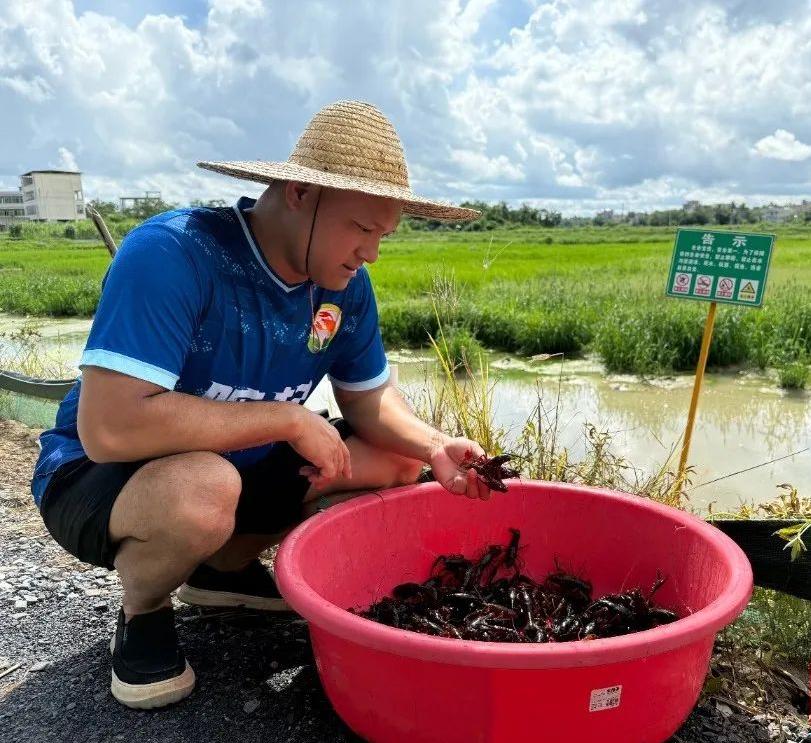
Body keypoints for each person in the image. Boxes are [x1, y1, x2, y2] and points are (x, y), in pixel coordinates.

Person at [30, 101, 488, 708]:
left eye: (383, 234)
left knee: (393, 461)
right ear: (300, 191)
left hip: (236, 464)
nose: (371, 253)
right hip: (100, 474)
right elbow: (110, 428)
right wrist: (286, 418)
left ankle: (218, 571)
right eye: (362, 229)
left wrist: (434, 446)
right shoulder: (175, 253)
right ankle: (143, 610)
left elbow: (369, 398)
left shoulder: (344, 289)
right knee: (204, 489)